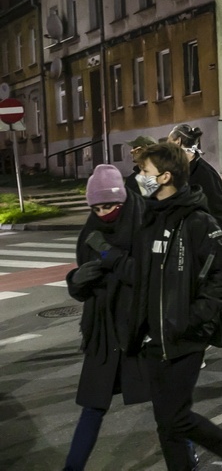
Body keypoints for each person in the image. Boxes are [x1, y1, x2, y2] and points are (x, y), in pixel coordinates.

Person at [134, 143, 222, 471]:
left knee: (176, 417)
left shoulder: (197, 220)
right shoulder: (146, 217)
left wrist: (194, 315)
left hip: (185, 336)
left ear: (166, 176)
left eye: (145, 172)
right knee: (166, 422)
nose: (139, 177)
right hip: (152, 337)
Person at [63, 165, 148, 471]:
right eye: (96, 207)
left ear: (122, 200)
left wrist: (111, 257)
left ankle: (198, 457)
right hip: (103, 332)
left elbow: (144, 276)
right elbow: (83, 291)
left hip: (139, 331)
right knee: (92, 407)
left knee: (169, 408)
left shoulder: (143, 223)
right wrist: (76, 280)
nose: (103, 213)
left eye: (109, 205)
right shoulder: (90, 231)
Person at [167, 124, 222, 232]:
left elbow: (220, 214)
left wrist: (202, 238)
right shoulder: (175, 172)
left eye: (168, 144)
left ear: (178, 141)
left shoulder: (205, 174)